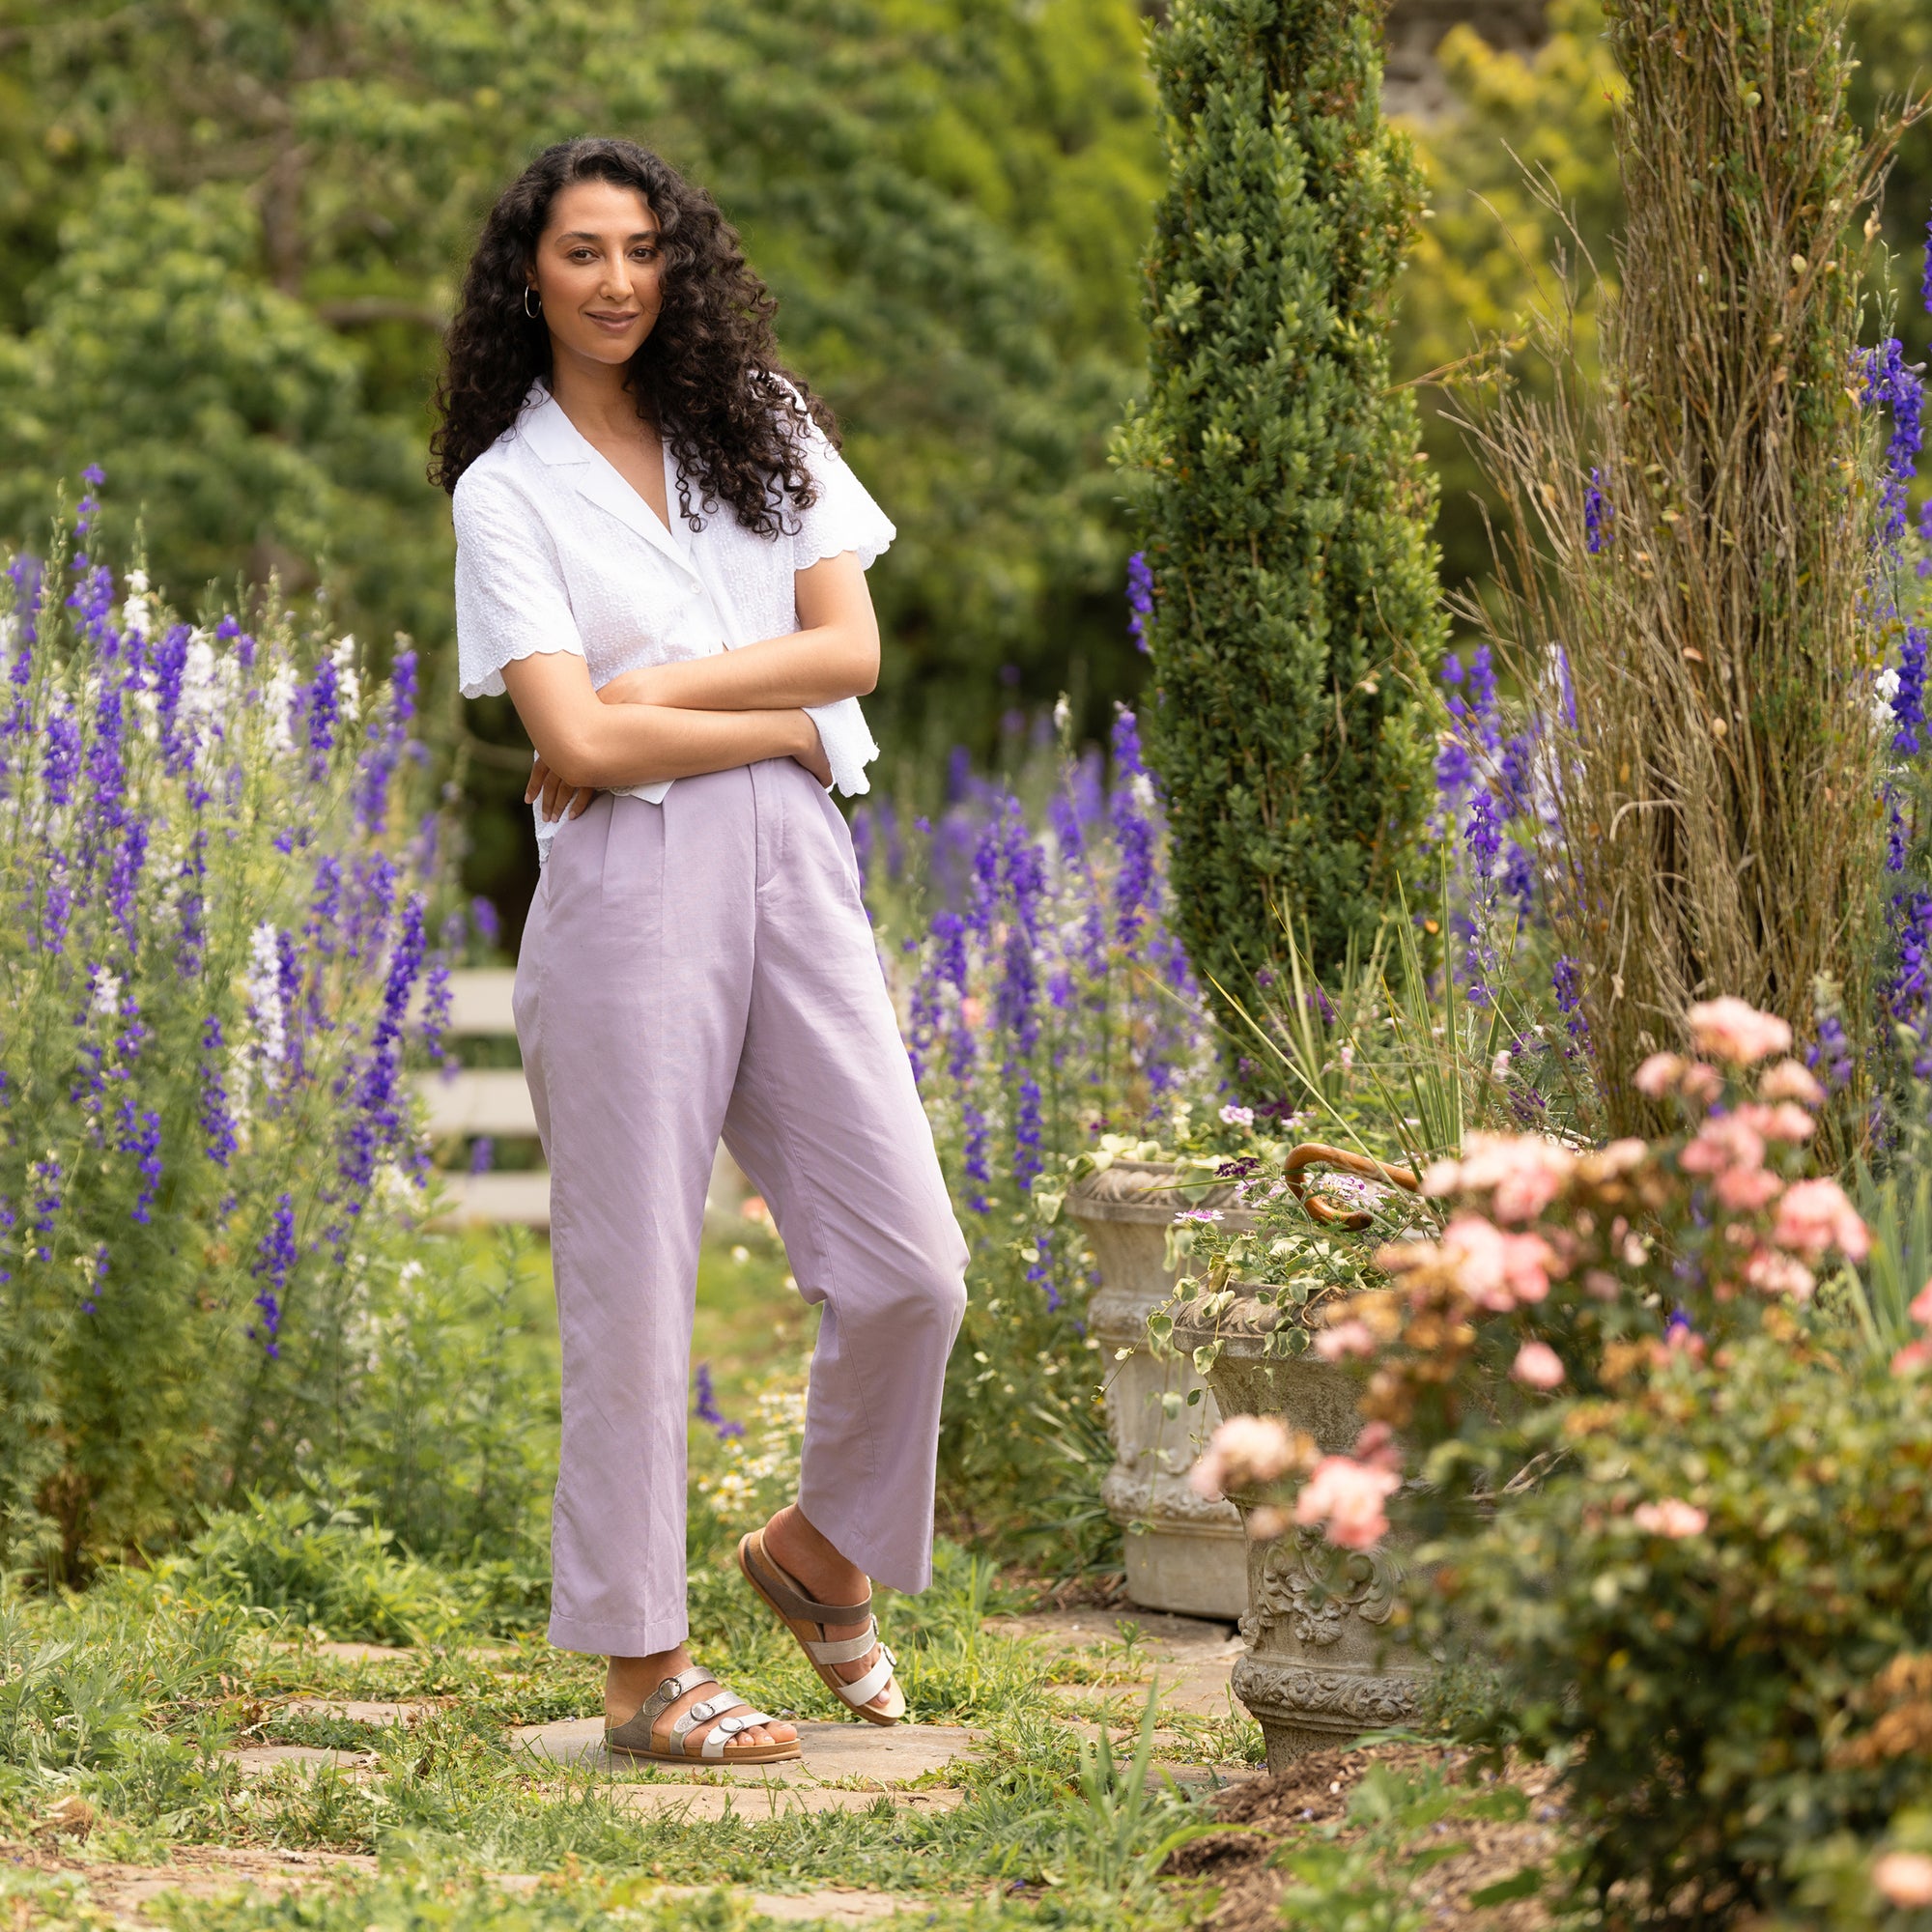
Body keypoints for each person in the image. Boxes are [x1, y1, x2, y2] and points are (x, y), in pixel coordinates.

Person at [432, 136, 968, 1767]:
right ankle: (642, 1669)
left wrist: (647, 702)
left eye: (642, 248)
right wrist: (769, 714)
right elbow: (570, 751)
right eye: (581, 251)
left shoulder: (768, 423)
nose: (615, 280)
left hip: (797, 864)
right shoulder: (505, 490)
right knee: (634, 1284)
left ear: (680, 264)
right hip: (625, 890)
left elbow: (853, 648)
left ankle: (816, 1555)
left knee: (910, 1267)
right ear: (532, 274)